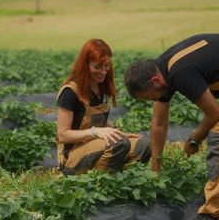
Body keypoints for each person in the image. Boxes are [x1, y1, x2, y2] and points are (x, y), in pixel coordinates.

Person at [124, 33, 219, 220]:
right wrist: (156, 167)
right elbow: (158, 123)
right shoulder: (162, 68)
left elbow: (215, 113)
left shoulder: (179, 72)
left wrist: (195, 138)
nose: (155, 100)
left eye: (152, 97)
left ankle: (212, 213)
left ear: (155, 81)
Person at [56, 38, 151, 176]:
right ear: (85, 65)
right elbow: (63, 135)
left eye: (107, 65)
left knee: (145, 145)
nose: (103, 71)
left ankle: (123, 177)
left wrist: (117, 132)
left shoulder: (101, 87)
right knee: (119, 144)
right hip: (72, 156)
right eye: (97, 67)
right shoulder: (70, 92)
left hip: (96, 146)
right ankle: (101, 183)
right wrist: (95, 132)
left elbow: (100, 119)